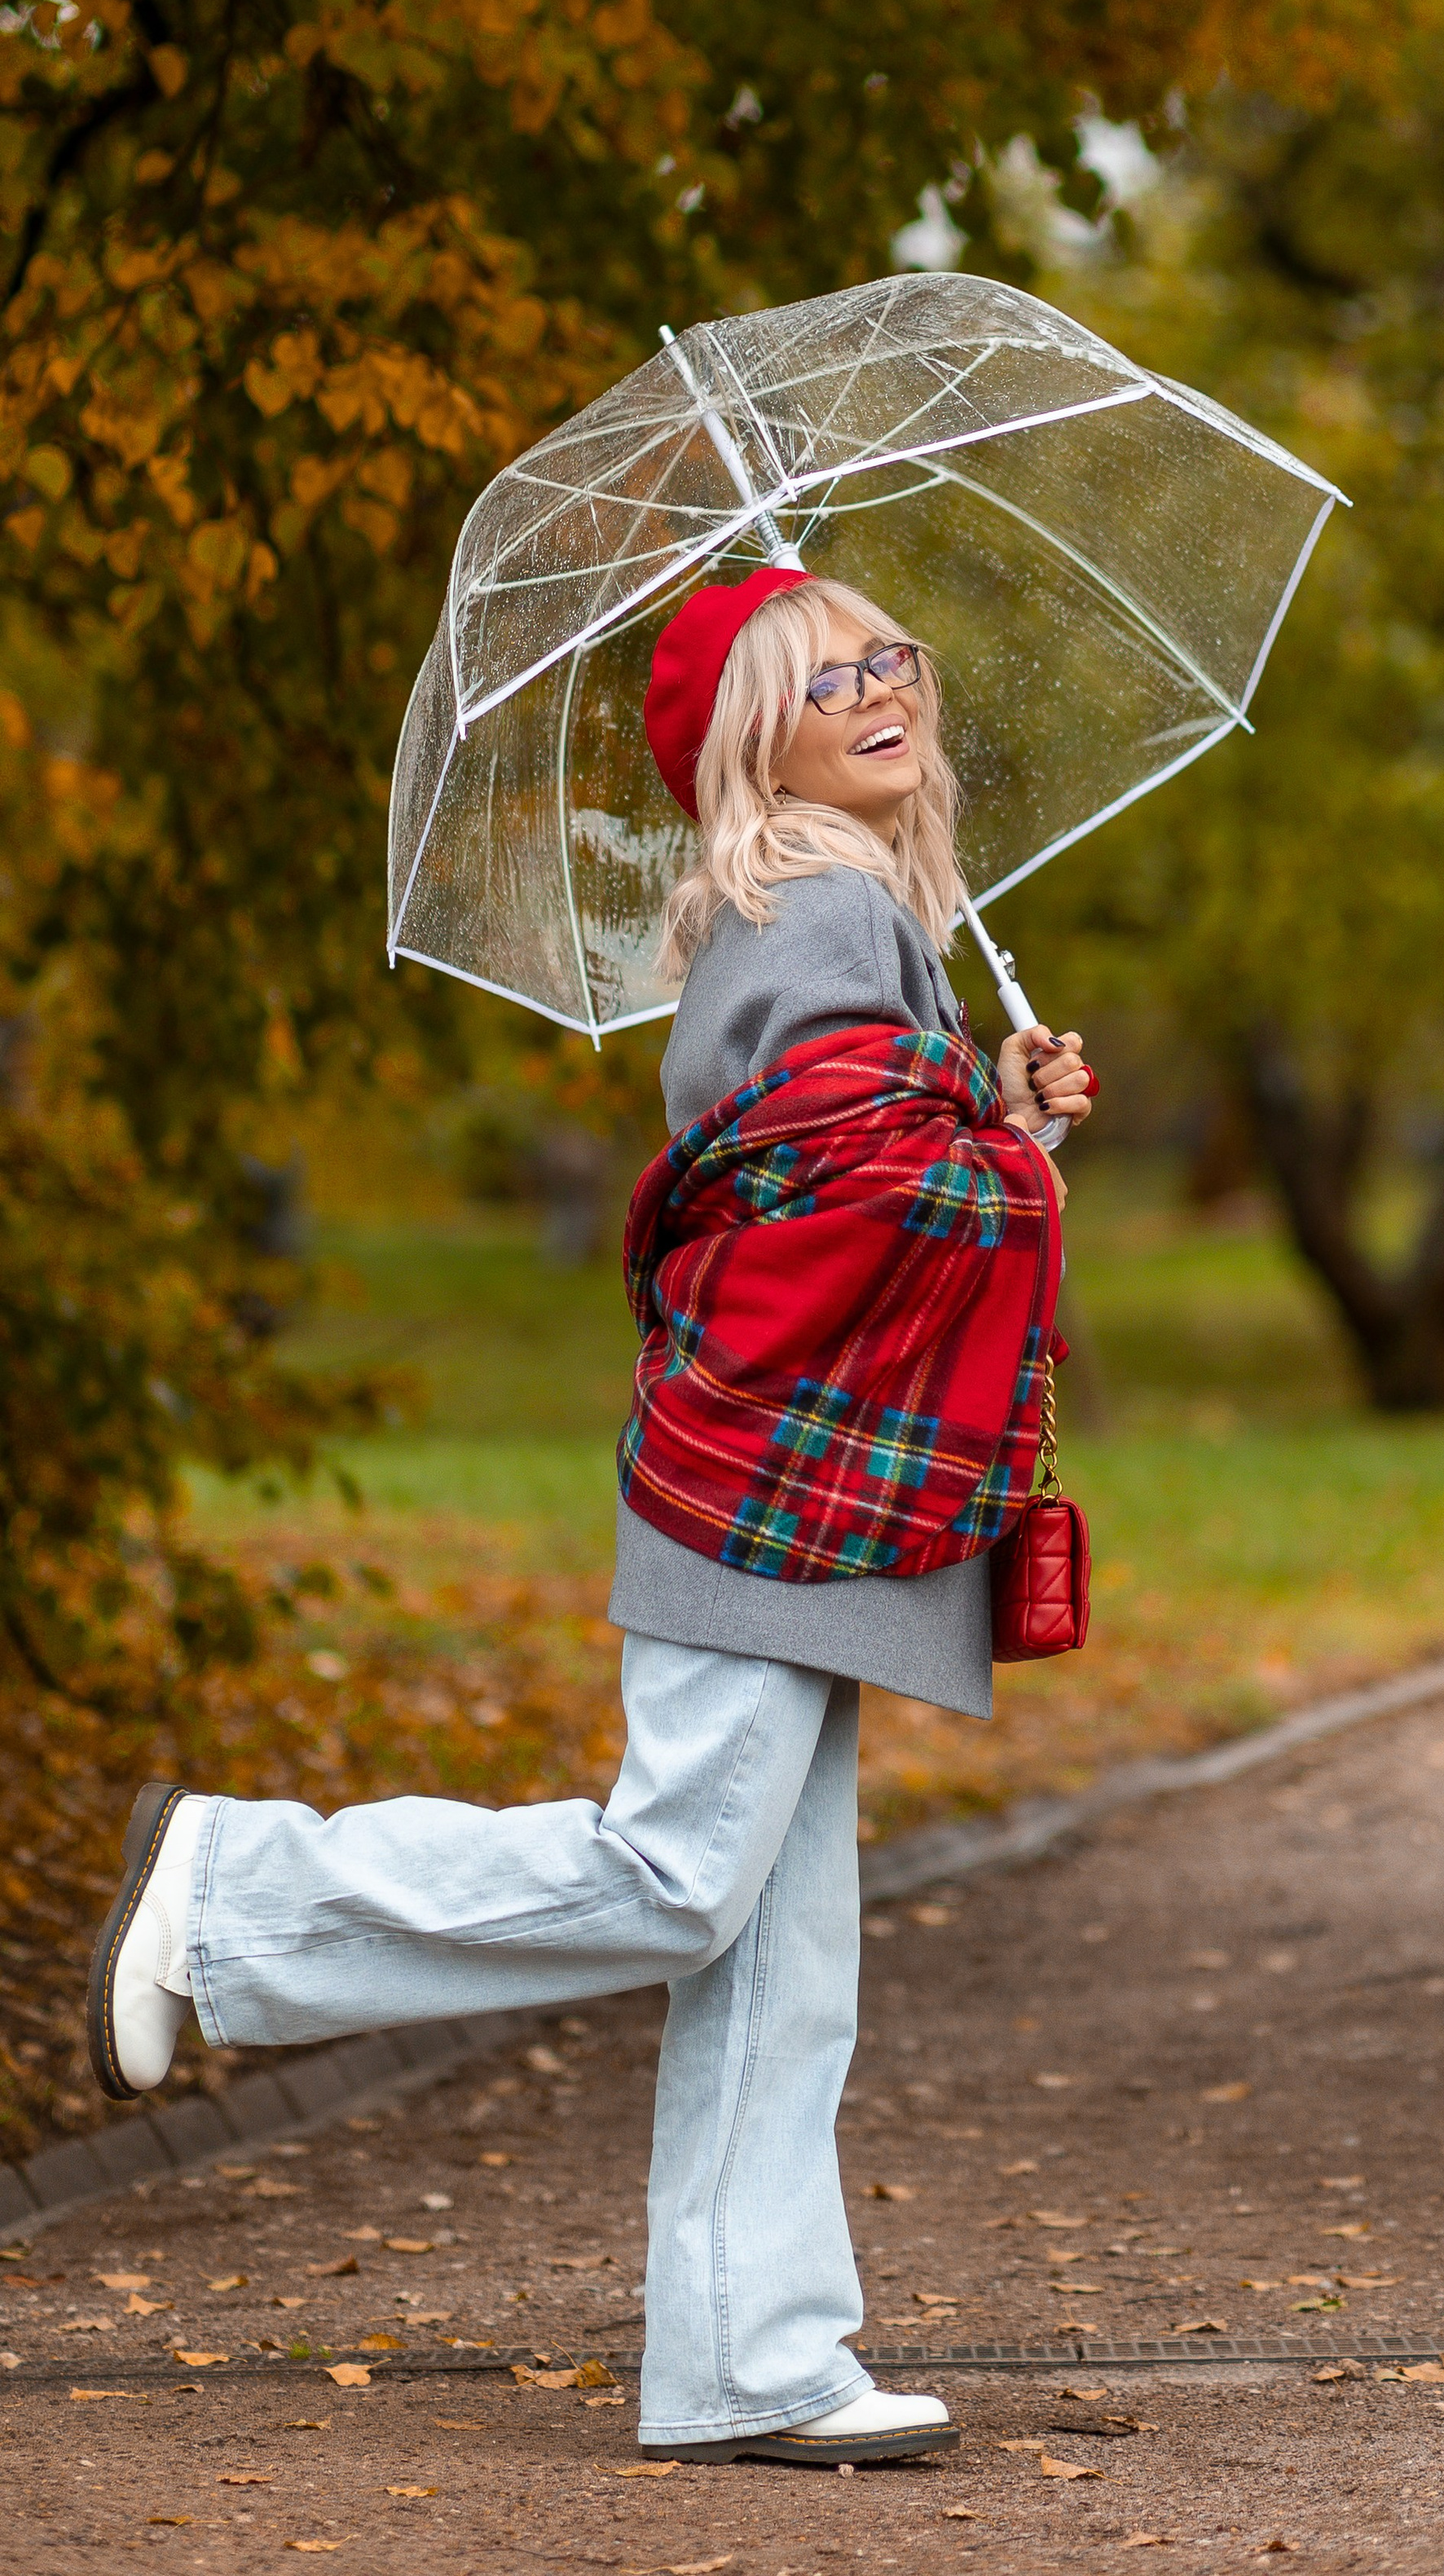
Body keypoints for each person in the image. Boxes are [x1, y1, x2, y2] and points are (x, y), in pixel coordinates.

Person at [86, 567, 1095, 2468]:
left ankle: (750, 2358)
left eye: (884, 656)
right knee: (683, 1875)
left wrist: (1001, 1121)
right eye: (821, 679)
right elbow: (838, 1196)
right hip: (770, 1478)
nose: (875, 689)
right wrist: (1000, 1155)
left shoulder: (855, 916)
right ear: (750, 744)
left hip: (801, 1485)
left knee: (781, 1950)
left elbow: (857, 1166)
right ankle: (231, 1896)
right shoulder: (816, 907)